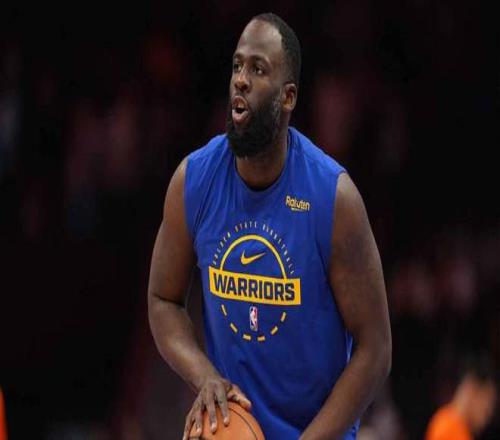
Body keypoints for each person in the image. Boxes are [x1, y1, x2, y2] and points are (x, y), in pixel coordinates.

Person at [148, 12, 391, 440]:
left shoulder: (332, 198)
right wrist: (205, 376)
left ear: (288, 97)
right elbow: (162, 299)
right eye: (237, 66)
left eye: (258, 69)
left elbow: (376, 349)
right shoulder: (195, 180)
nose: (240, 80)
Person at [425, 356, 497, 440]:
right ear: (472, 388)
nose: (487, 416)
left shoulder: (451, 425)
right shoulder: (449, 429)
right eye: (486, 406)